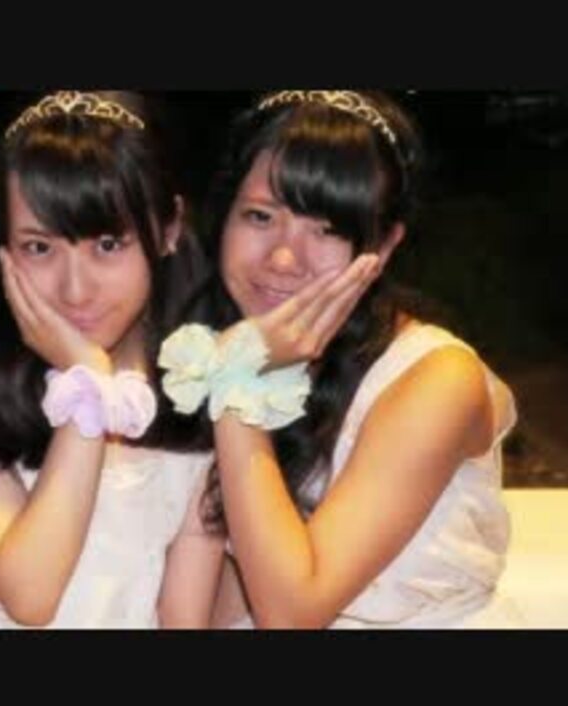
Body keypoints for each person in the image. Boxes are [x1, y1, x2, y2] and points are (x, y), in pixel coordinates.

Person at [159, 90, 521, 629]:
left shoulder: (438, 381)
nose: (284, 258)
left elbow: (291, 611)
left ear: (385, 245)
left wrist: (237, 378)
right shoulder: (215, 347)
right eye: (259, 216)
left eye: (327, 229)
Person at [0, 91, 223, 629]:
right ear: (4, 250)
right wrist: (88, 382)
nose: (75, 290)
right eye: (39, 247)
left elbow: (183, 618)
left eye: (108, 245)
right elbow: (30, 596)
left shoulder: (201, 374)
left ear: (169, 230)